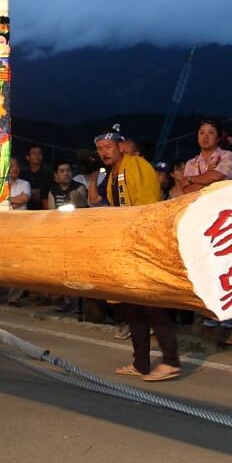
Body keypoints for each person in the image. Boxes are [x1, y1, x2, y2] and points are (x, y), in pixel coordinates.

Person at [91, 128, 180, 382]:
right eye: (100, 149)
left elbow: (148, 205)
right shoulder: (111, 176)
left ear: (121, 146)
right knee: (133, 308)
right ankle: (141, 363)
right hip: (127, 245)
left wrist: (142, 240)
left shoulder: (137, 165)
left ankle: (171, 361)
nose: (103, 152)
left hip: (144, 243)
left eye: (108, 147)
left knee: (152, 306)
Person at [173, 117, 232, 197]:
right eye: (202, 133)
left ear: (218, 138)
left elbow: (215, 177)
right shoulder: (191, 163)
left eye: (211, 133)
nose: (205, 137)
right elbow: (187, 191)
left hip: (223, 205)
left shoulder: (226, 156)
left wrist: (190, 179)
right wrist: (208, 174)